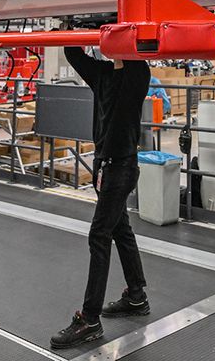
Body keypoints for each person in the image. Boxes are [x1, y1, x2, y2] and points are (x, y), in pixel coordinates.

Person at [51, 47, 151, 349]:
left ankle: (90, 320)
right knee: (120, 229)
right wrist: (70, 24)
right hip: (106, 166)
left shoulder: (138, 73)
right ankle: (136, 296)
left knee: (99, 235)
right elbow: (73, 52)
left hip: (120, 167)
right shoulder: (102, 74)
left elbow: (138, 48)